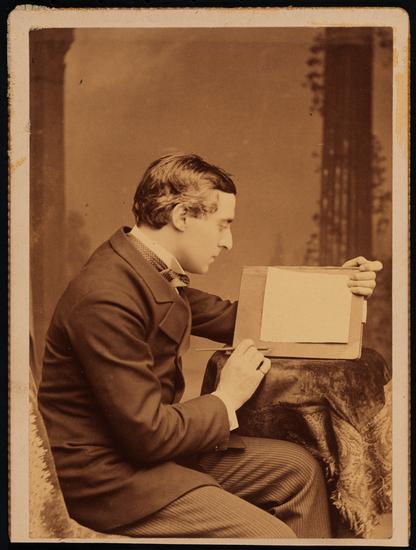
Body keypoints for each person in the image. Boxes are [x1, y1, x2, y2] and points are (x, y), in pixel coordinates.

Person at [38, 153, 382, 539]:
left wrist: (341, 290)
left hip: (145, 455)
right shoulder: (107, 296)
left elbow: (247, 320)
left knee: (299, 471)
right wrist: (227, 397)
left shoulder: (144, 269)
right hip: (108, 480)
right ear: (183, 216)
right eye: (223, 225)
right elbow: (148, 435)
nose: (228, 242)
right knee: (271, 537)